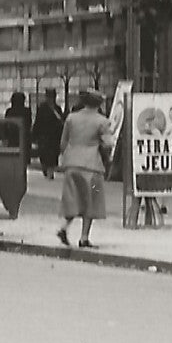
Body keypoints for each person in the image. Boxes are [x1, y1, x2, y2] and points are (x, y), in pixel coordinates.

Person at [57, 87, 113, 248]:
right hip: (92, 167)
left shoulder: (71, 118)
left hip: (72, 164)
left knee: (73, 199)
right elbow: (108, 144)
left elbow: (63, 143)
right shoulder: (102, 121)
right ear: (99, 104)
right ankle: (84, 237)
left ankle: (63, 228)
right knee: (92, 200)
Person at [33, 88, 64, 179]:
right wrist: (35, 135)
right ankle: (46, 169)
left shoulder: (57, 108)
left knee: (53, 156)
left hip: (54, 137)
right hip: (44, 137)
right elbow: (38, 121)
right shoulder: (42, 108)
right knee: (44, 156)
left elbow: (60, 122)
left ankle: (50, 172)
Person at [5, 91, 33, 167]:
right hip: (24, 138)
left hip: (12, 138)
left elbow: (6, 125)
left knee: (13, 159)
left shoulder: (9, 111)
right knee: (24, 162)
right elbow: (29, 123)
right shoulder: (27, 111)